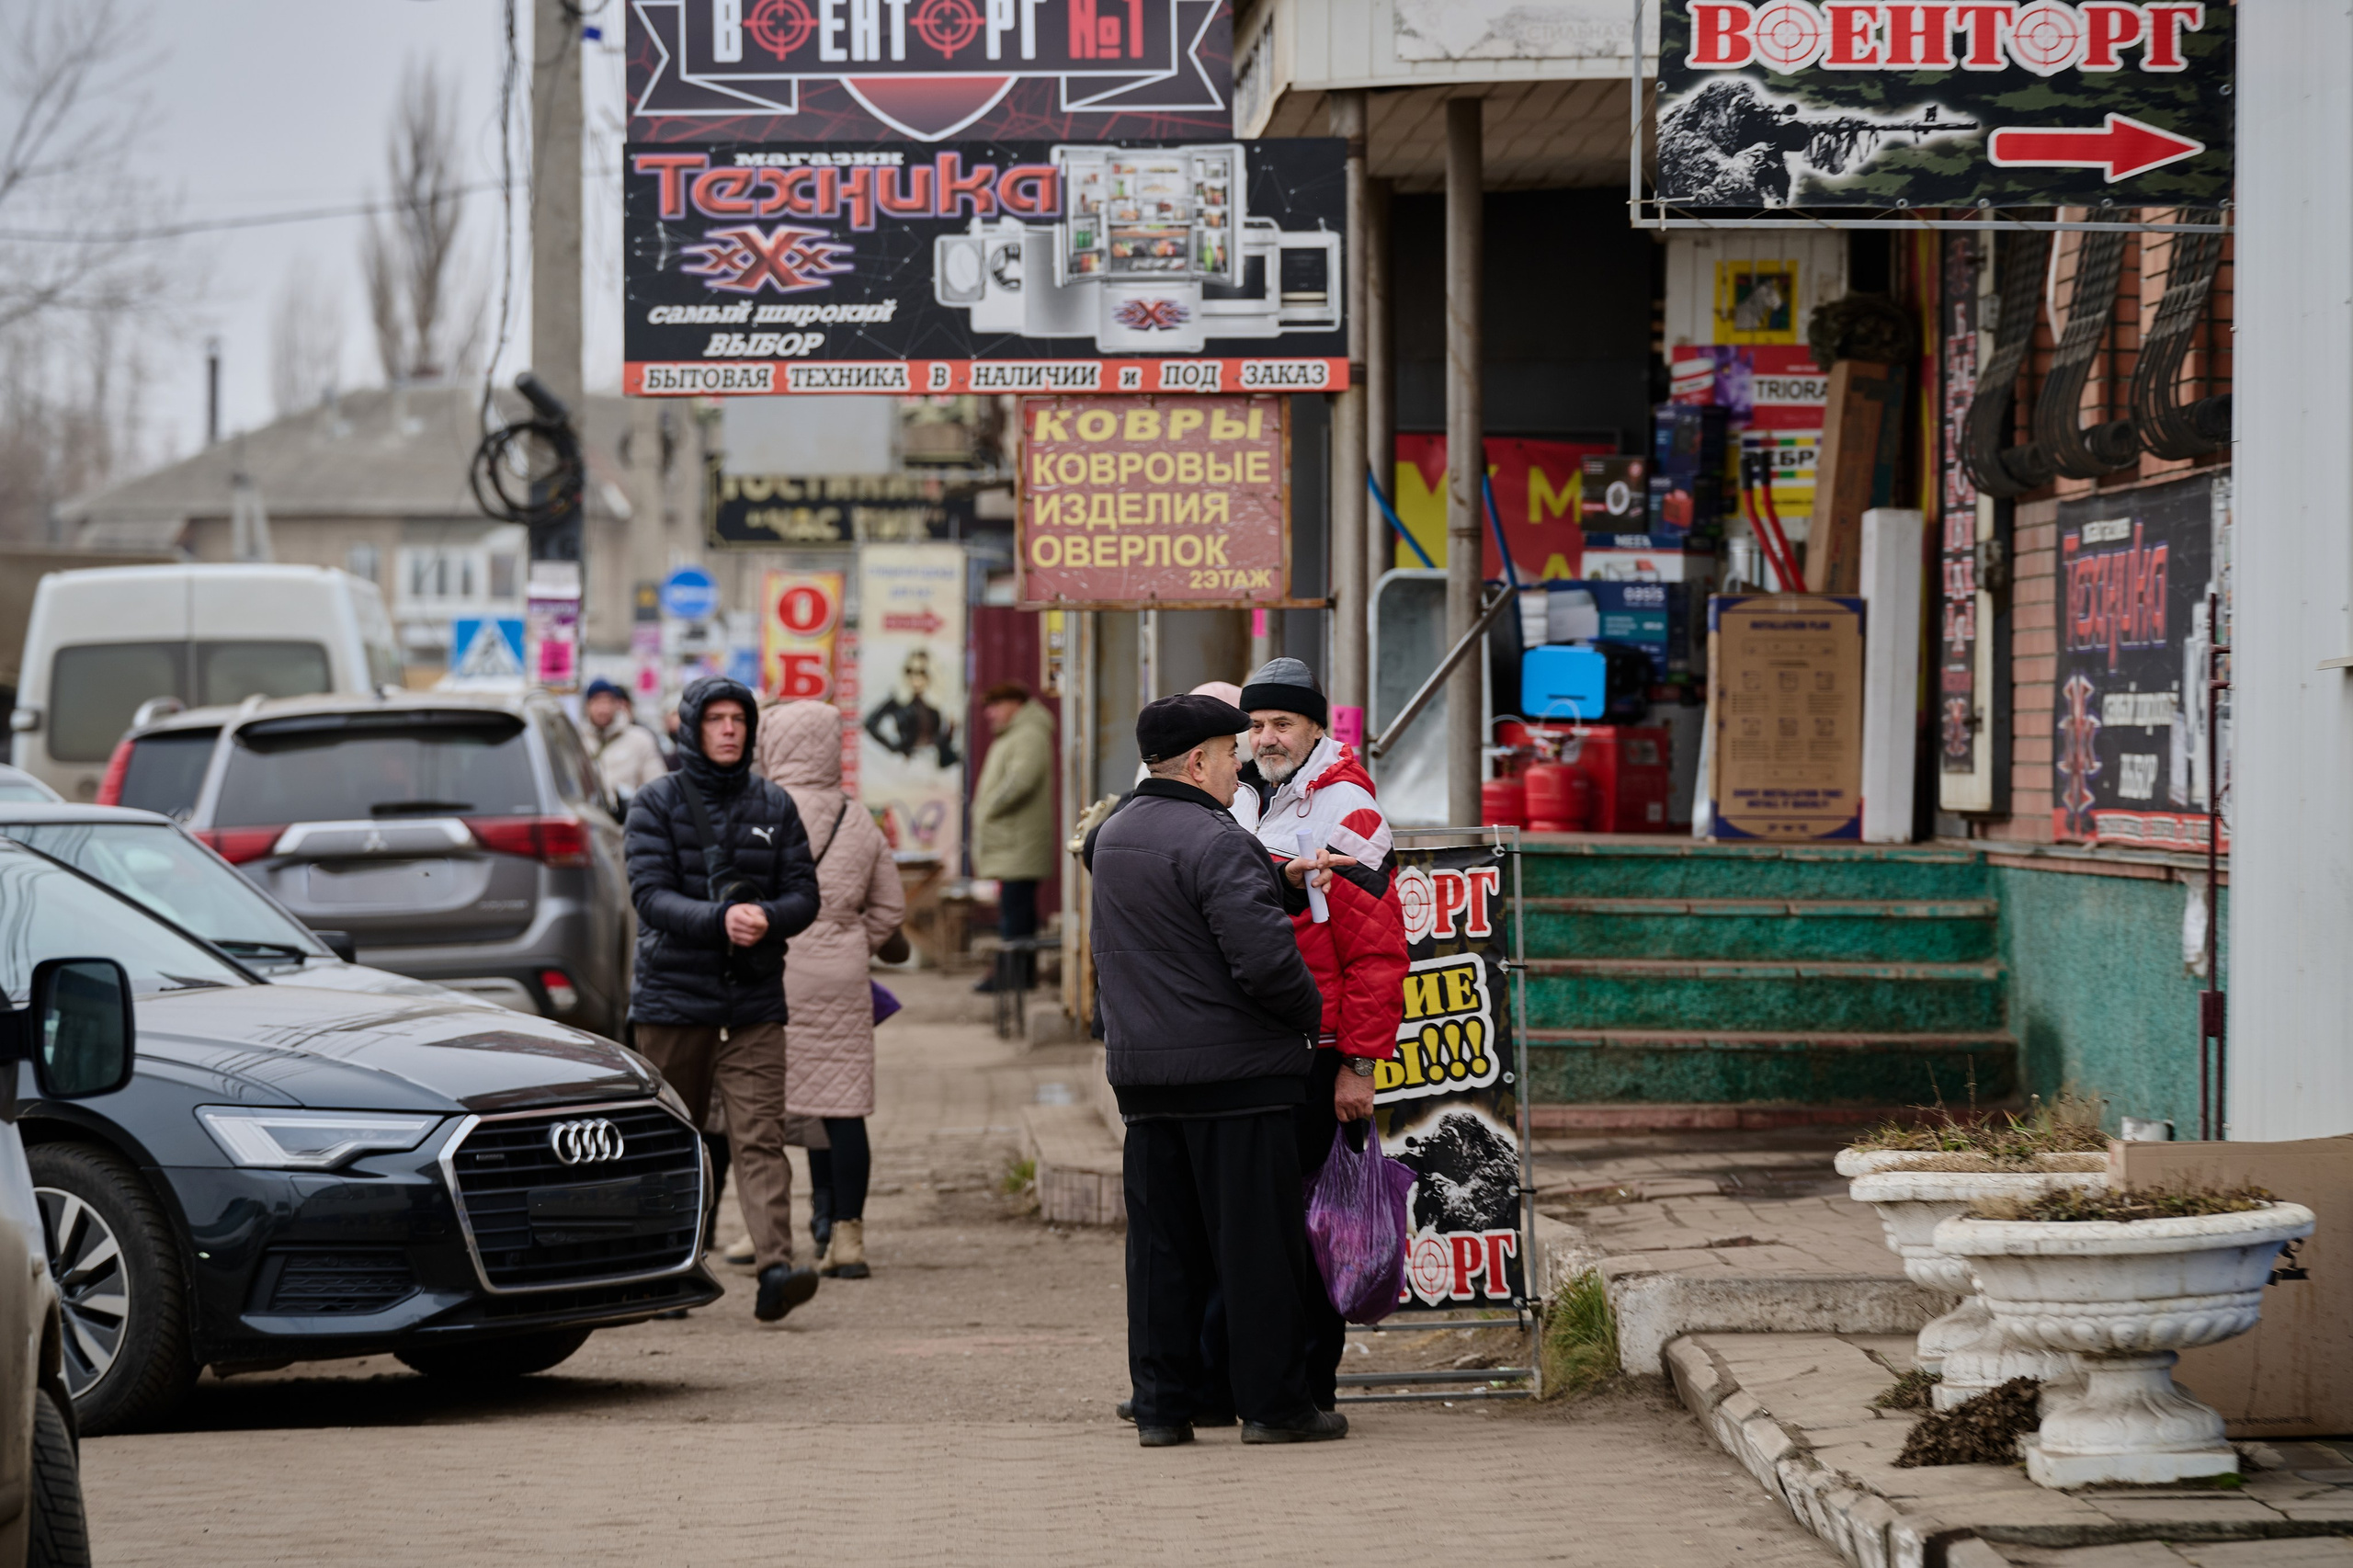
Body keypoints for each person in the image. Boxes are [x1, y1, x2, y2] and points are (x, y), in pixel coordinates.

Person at [1088, 691, 1349, 1449]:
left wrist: (1280, 882)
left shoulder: (1114, 836)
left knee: (1162, 1252)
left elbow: (1171, 920)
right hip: (1237, 1079)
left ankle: (1164, 1408)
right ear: (1199, 761)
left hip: (1145, 1082)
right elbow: (1267, 964)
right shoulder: (1217, 838)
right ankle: (1274, 1406)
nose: (1240, 765)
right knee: (1256, 1250)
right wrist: (1308, 1018)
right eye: (1231, 753)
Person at [1237, 655, 1409, 1413]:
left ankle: (1313, 1387)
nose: (1267, 737)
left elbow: (1377, 957)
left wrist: (1361, 1066)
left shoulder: (1350, 812)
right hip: (1250, 1047)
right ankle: (1259, 1382)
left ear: (1315, 726)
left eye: (1282, 723)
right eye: (1257, 724)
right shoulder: (1240, 798)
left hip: (1321, 1050)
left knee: (1315, 1227)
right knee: (1260, 1224)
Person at [625, 676, 824, 1323]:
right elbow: (649, 896)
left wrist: (767, 917)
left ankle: (776, 1268)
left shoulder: (774, 804)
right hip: (673, 1001)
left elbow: (804, 894)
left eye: (739, 718)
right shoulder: (654, 803)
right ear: (693, 727)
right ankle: (663, 1270)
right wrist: (720, 920)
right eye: (716, 718)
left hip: (754, 1000)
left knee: (760, 1136)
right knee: (671, 1138)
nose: (730, 729)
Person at [756, 699, 905, 1281]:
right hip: (842, 977)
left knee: (764, 1107)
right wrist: (848, 942)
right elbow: (891, 908)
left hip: (773, 970)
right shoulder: (856, 817)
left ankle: (764, 1232)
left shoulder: (761, 811)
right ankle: (848, 1242)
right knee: (844, 1108)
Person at [971, 680, 1055, 993]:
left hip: (1018, 843)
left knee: (1016, 913)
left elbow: (1022, 781)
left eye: (994, 706)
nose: (990, 714)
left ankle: (1016, 977)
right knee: (1013, 911)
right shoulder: (1016, 735)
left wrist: (988, 808)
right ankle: (1013, 974)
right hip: (1013, 843)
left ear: (1014, 704)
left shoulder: (1028, 734)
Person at [863, 649, 959, 767]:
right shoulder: (898, 701)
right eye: (910, 672)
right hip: (907, 762)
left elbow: (935, 739)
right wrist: (894, 747)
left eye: (921, 672)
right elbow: (870, 723)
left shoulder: (932, 705)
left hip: (930, 762)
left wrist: (950, 732)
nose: (915, 678)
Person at [579, 677, 668, 801]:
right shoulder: (578, 740)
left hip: (630, 817)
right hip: (590, 816)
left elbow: (658, 787)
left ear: (617, 705)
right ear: (587, 706)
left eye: (608, 702)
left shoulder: (640, 739)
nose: (603, 709)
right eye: (597, 702)